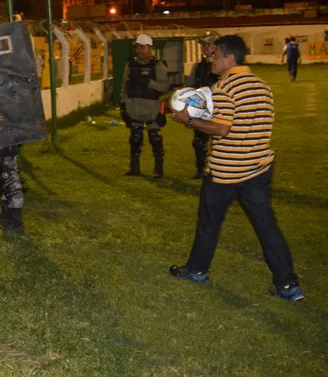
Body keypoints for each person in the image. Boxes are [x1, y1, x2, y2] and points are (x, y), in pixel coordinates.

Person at [168, 35, 304, 302]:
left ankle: (197, 271)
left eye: (215, 54)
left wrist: (188, 121)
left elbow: (222, 128)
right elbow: (246, 123)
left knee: (209, 224)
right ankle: (288, 285)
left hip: (226, 171)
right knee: (267, 227)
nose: (211, 58)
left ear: (230, 58)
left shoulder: (226, 86)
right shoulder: (262, 85)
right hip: (258, 168)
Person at [120, 34, 169, 178]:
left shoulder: (158, 66)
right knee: (135, 138)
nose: (139, 50)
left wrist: (150, 83)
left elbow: (165, 87)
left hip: (152, 108)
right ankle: (134, 168)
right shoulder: (131, 65)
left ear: (150, 48)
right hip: (134, 107)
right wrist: (123, 105)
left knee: (155, 138)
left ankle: (158, 169)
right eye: (138, 47)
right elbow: (124, 86)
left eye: (142, 47)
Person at [186, 38, 219, 179]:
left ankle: (218, 170)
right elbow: (190, 86)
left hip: (220, 108)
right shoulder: (198, 66)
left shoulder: (222, 65)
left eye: (208, 44)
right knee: (199, 142)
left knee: (220, 141)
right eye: (203, 45)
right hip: (202, 108)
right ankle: (201, 170)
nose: (205, 47)